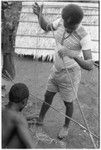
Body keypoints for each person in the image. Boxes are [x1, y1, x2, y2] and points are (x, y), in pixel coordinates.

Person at [33, 3, 94, 139]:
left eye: (72, 27)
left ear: (78, 22)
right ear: (63, 20)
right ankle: (41, 118)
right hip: (56, 70)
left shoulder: (84, 36)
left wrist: (74, 55)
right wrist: (39, 15)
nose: (68, 29)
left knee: (68, 102)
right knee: (48, 95)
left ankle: (66, 126)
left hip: (70, 74)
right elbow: (45, 27)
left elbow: (90, 65)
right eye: (66, 26)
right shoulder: (59, 22)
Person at [2, 83, 36, 148]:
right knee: (20, 137)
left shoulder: (2, 108)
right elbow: (31, 147)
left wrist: (26, 118)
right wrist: (23, 121)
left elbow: (9, 118)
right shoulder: (19, 118)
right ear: (24, 101)